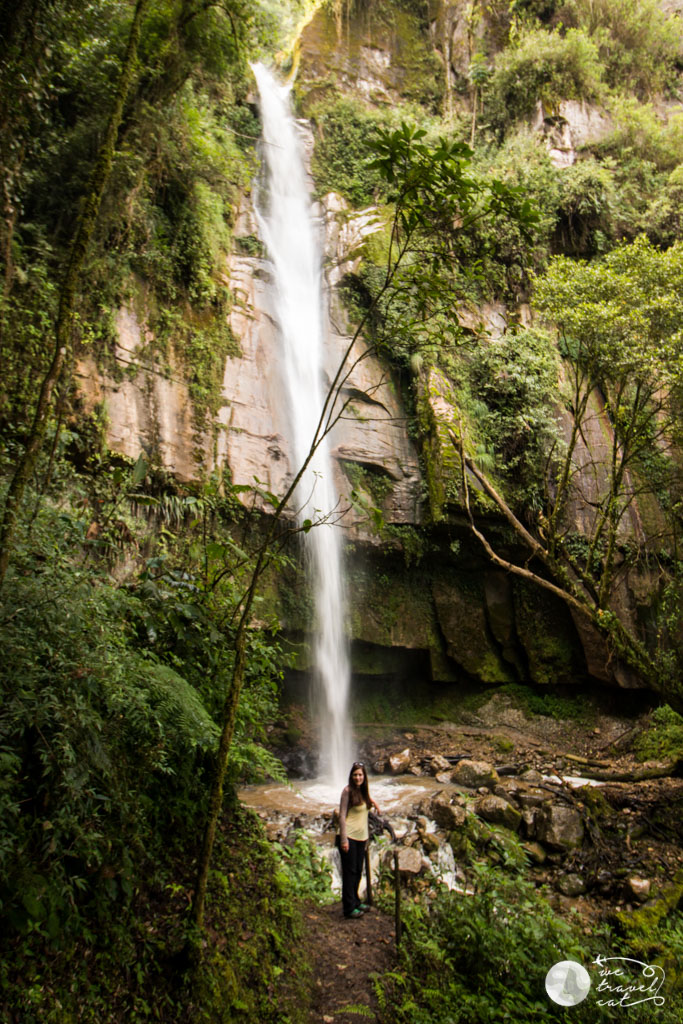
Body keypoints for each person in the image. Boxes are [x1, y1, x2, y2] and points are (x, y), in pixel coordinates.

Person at [337, 761, 380, 919]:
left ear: (364, 776)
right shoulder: (347, 791)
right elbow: (341, 816)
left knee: (357, 872)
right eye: (355, 775)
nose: (358, 777)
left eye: (360, 775)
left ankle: (356, 901)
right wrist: (343, 840)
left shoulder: (363, 791)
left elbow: (364, 807)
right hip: (349, 836)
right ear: (351, 776)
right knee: (349, 873)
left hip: (361, 837)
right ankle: (348, 908)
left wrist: (373, 802)